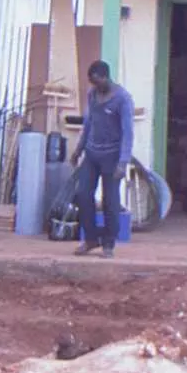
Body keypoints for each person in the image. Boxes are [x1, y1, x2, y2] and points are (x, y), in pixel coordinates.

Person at [73, 60, 134, 258]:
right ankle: (91, 239)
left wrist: (123, 162)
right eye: (93, 83)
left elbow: (128, 132)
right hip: (92, 153)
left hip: (112, 156)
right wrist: (78, 150)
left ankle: (108, 244)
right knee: (83, 194)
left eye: (98, 82)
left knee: (111, 200)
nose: (95, 87)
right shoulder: (92, 95)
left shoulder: (122, 99)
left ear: (106, 77)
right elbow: (88, 123)